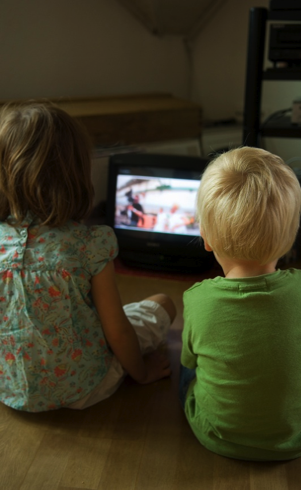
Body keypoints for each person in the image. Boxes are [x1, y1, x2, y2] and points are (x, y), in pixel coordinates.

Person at [0, 101, 176, 412]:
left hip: (10, 390)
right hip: (85, 388)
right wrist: (143, 373)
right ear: (75, 172)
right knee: (163, 302)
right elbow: (118, 331)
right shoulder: (89, 244)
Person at [180, 147, 301, 461]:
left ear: (206, 237)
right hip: (300, 436)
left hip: (218, 436)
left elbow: (190, 361)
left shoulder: (197, 299)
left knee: (187, 370)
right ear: (291, 235)